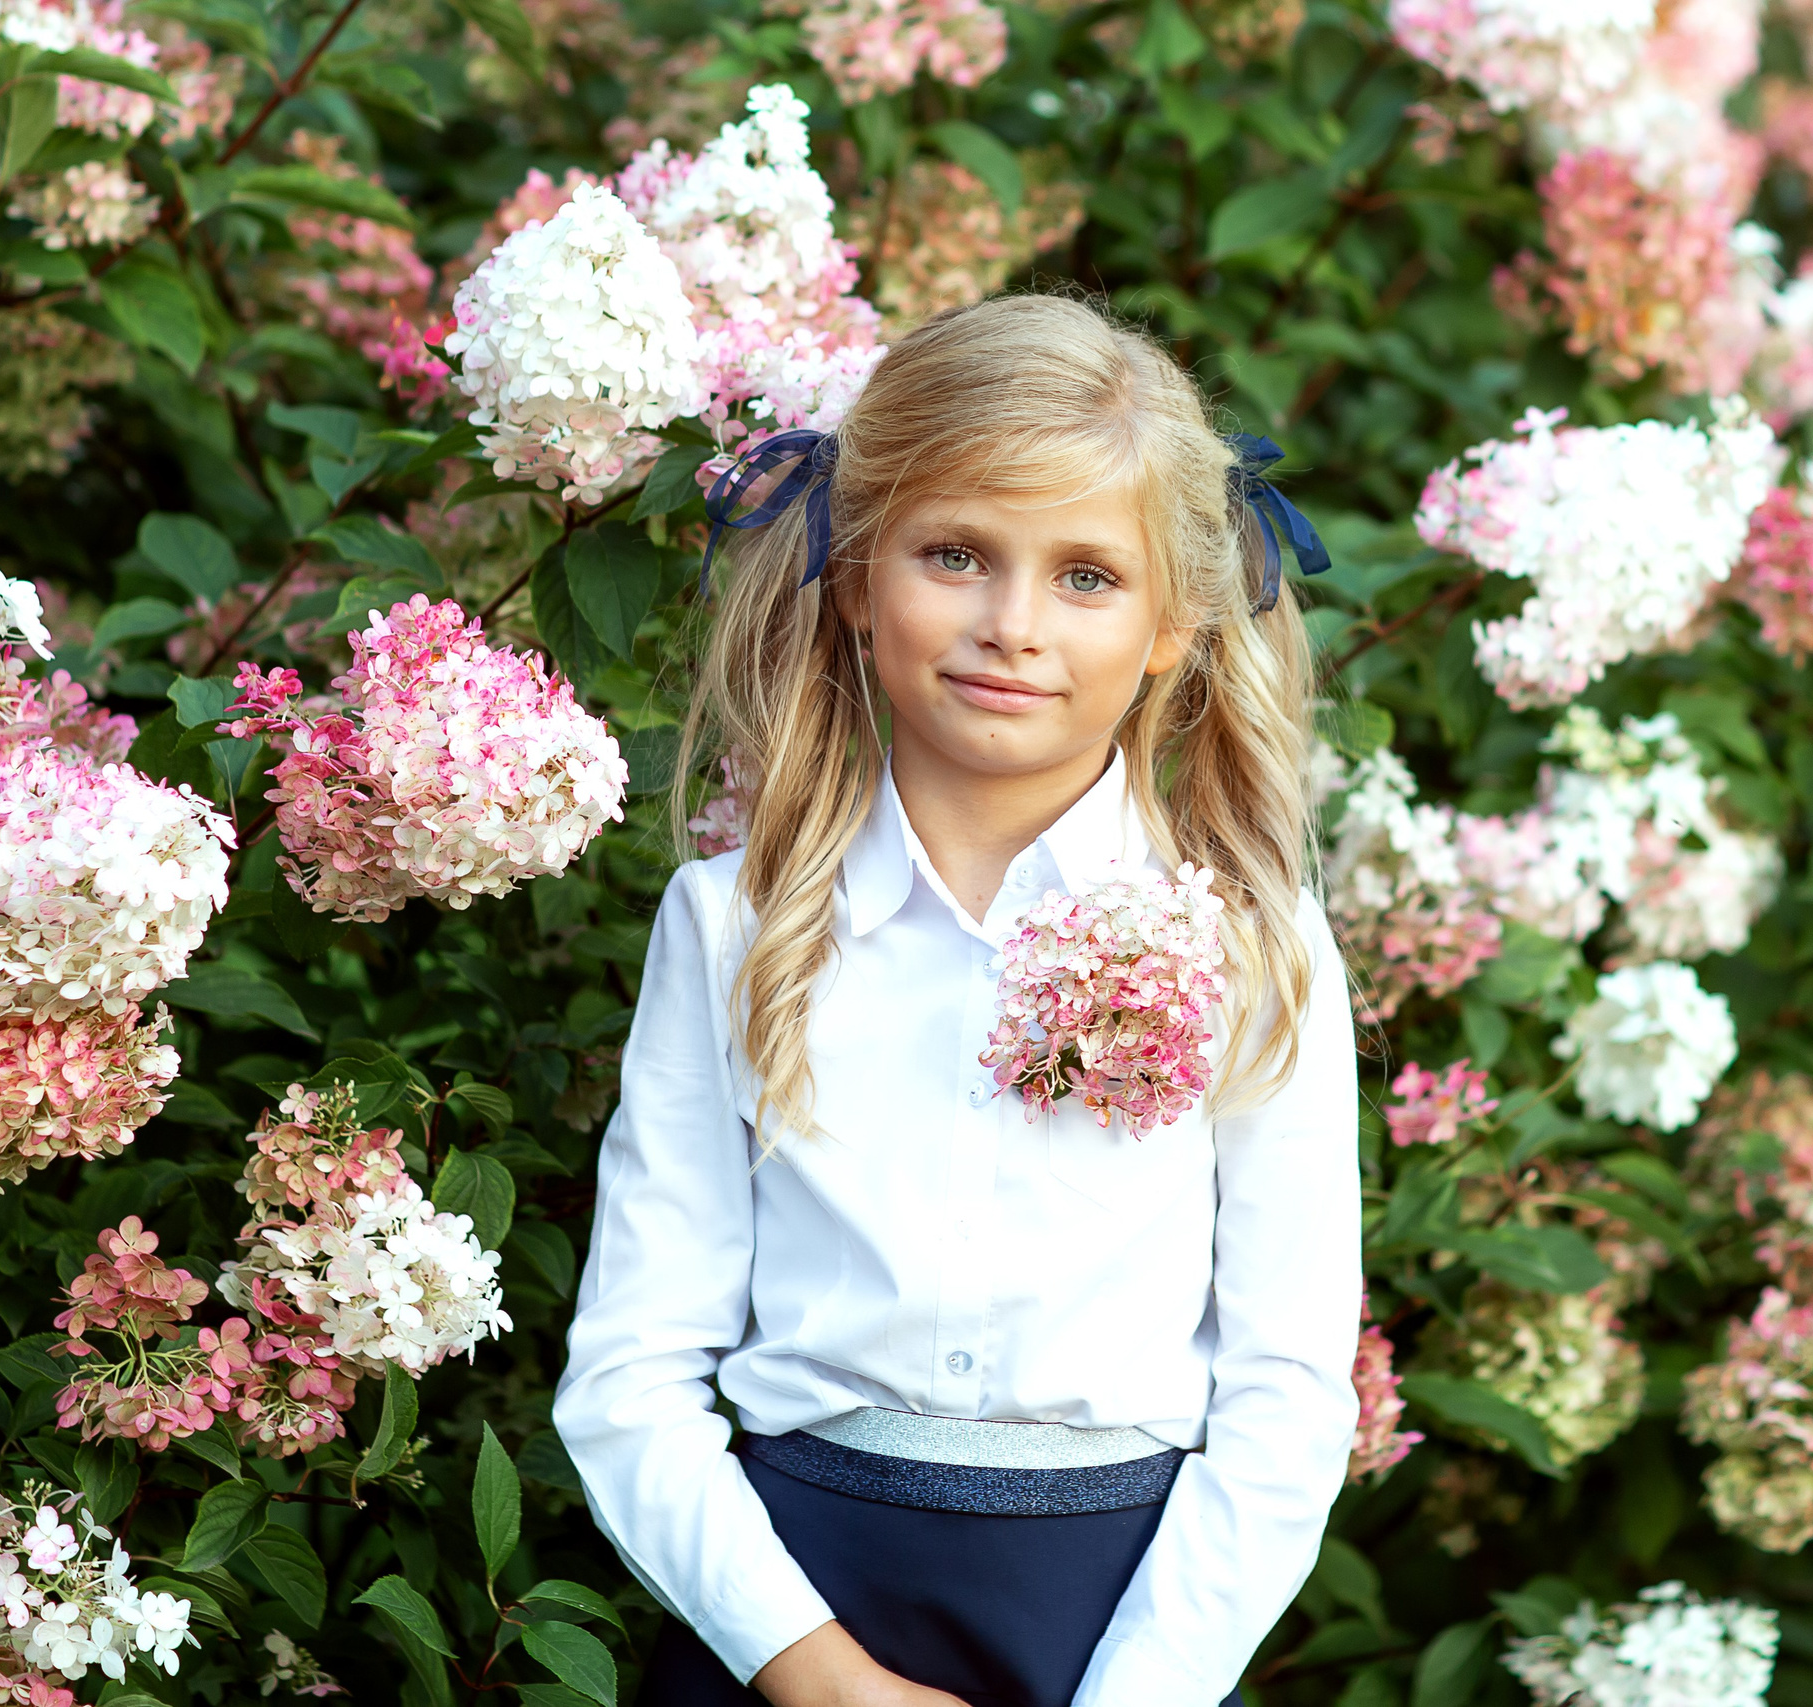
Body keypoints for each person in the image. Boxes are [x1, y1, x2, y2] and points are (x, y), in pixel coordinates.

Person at [550, 292, 1361, 1707]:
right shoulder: (734, 928)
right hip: (792, 1626)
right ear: (858, 577)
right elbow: (629, 1379)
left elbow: (1288, 1397)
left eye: (1087, 577)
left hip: (1124, 1638)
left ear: (1175, 624)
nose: (1013, 626)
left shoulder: (1255, 945)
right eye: (956, 555)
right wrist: (821, 1682)